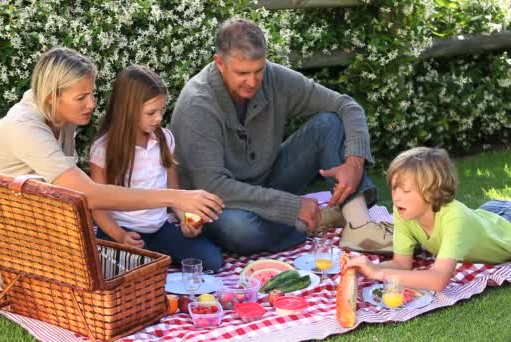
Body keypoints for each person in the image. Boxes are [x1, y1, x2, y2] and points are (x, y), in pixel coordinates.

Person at [0, 47, 223, 320]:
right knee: (35, 263)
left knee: (66, 264)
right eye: (81, 97)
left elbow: (63, 195)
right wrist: (176, 197)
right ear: (51, 96)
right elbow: (87, 194)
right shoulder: (24, 128)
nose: (92, 104)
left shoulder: (60, 120)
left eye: (92, 93)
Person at [170, 18, 390, 256]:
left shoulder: (275, 78)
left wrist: (355, 161)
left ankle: (359, 226)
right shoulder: (198, 102)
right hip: (217, 201)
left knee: (328, 123)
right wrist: (292, 206)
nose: (253, 81)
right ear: (219, 63)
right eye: (242, 73)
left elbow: (347, 106)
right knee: (240, 231)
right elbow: (212, 186)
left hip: (267, 182)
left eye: (259, 70)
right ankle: (312, 221)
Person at [89, 65, 223, 271]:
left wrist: (186, 220)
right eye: (151, 112)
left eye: (161, 110)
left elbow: (174, 190)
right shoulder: (104, 149)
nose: (159, 118)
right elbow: (98, 207)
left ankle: (152, 258)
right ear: (127, 111)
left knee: (211, 261)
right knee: (122, 272)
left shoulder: (164, 139)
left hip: (159, 228)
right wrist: (120, 235)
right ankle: (147, 261)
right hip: (121, 231)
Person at [347, 147, 511, 291]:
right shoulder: (403, 212)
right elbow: (401, 264)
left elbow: (438, 280)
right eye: (394, 189)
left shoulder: (455, 217)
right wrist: (366, 267)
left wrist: (377, 273)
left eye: (406, 190)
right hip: (488, 215)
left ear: (432, 193)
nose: (396, 198)